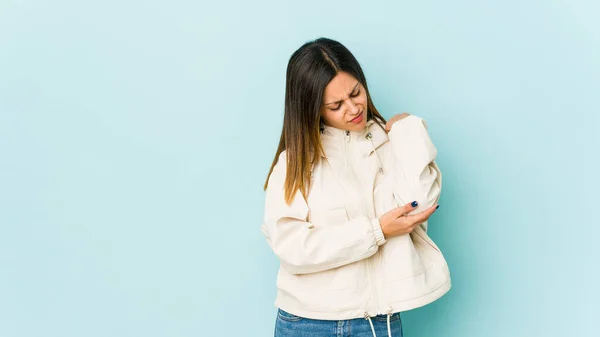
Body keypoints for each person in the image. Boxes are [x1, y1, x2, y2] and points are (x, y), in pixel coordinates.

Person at [260, 37, 451, 337]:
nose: (353, 108)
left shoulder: (388, 142)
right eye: (336, 105)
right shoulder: (295, 162)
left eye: (355, 93)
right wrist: (376, 231)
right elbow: (293, 248)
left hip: (376, 321)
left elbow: (418, 206)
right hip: (306, 322)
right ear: (313, 109)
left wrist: (408, 133)